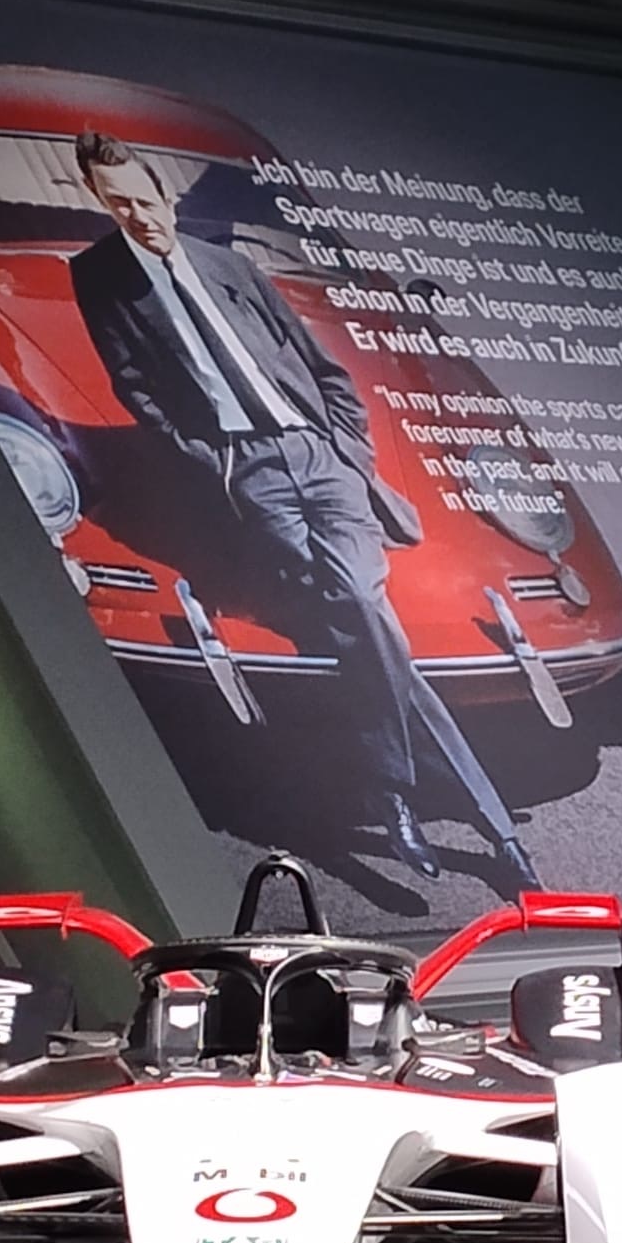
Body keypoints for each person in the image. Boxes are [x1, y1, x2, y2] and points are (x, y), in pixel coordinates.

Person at [68, 129, 538, 892]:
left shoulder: (231, 265)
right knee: (365, 625)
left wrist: (348, 453)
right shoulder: (97, 277)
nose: (137, 216)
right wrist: (208, 460)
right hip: (245, 473)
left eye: (144, 200)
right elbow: (135, 387)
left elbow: (322, 368)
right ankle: (497, 834)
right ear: (100, 200)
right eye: (117, 204)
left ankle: (397, 797)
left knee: (357, 604)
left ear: (166, 194)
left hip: (319, 458)